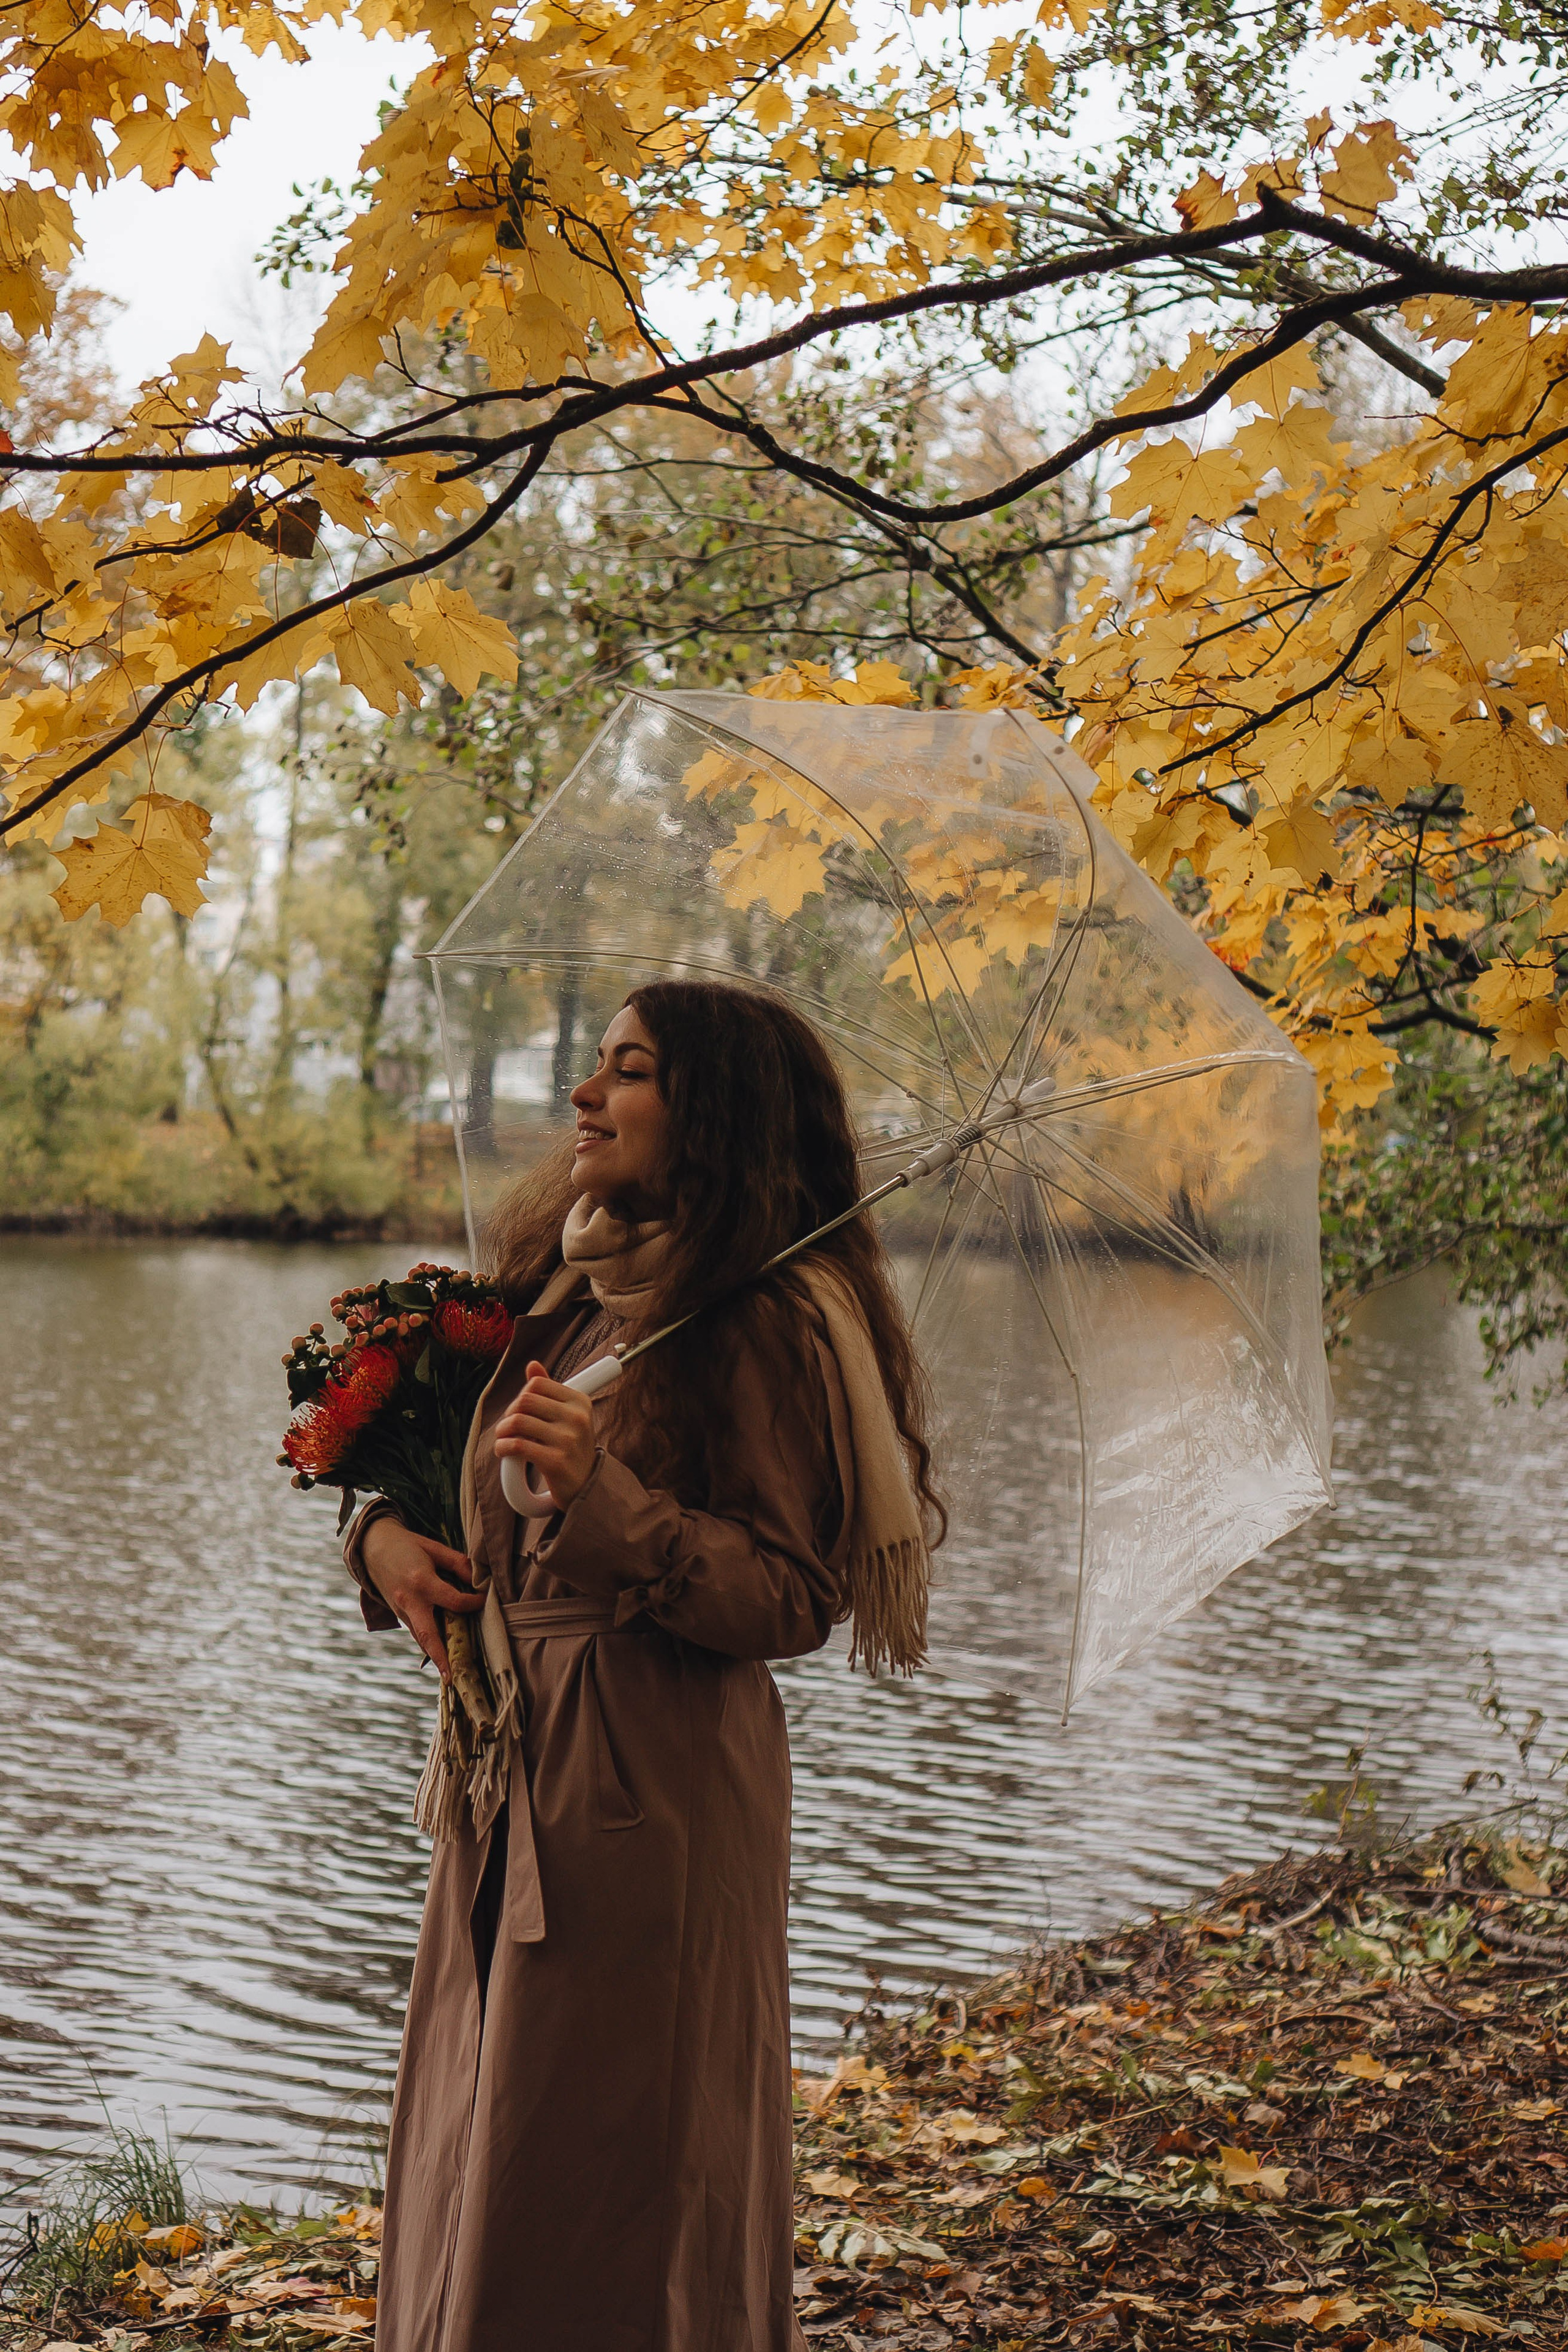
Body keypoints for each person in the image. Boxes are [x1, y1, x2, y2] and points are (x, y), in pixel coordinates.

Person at [345, 978, 943, 2352]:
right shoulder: (558, 1291)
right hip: (506, 1762)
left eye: (628, 1070)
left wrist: (605, 1499)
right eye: (594, 1064)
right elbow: (437, 1483)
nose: (583, 1095)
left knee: (619, 2145)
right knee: (482, 2115)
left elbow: (794, 1595)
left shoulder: (769, 1322)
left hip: (654, 1787)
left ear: (713, 1114)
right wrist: (380, 1539)